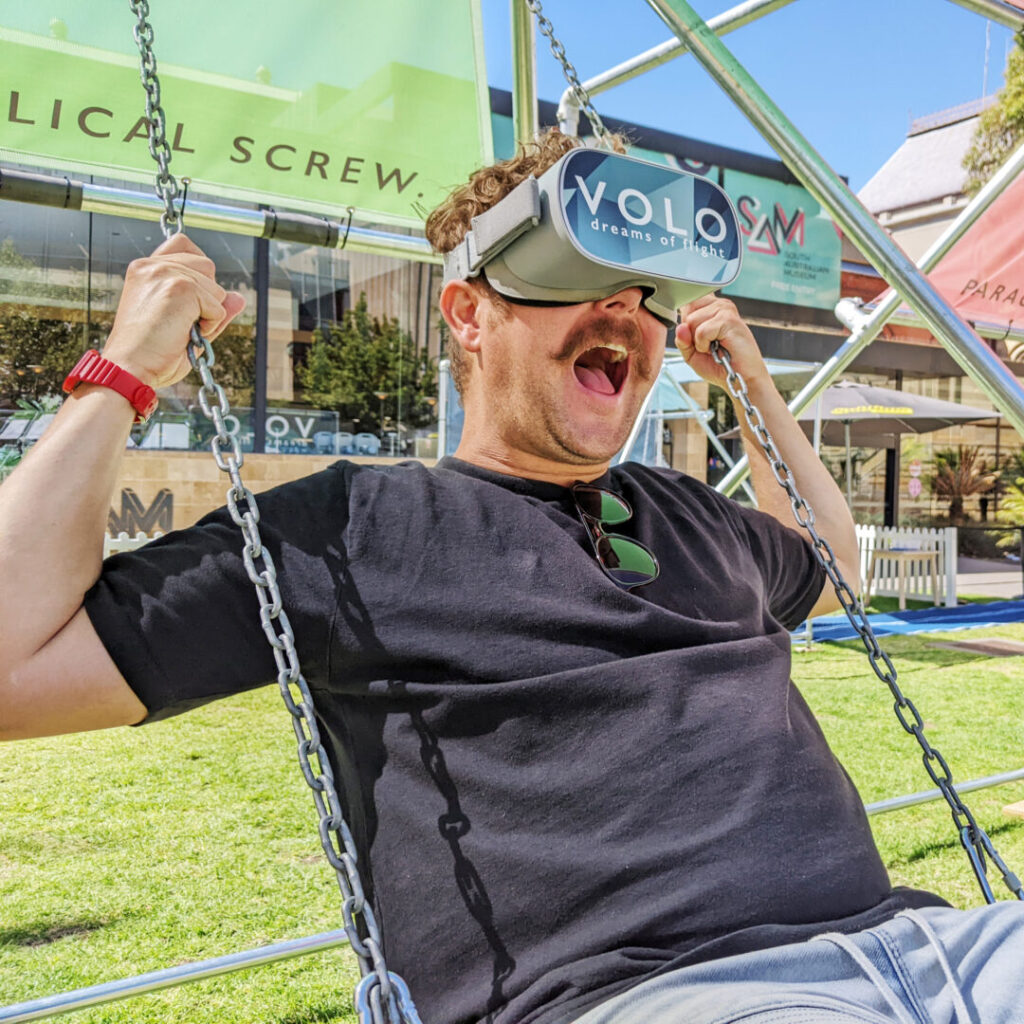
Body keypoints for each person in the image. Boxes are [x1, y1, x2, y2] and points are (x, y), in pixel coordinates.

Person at [0, 129, 1021, 1024]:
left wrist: (752, 382)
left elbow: (834, 566)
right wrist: (125, 370)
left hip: (938, 951)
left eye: (645, 291)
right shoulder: (350, 529)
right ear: (469, 314)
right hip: (663, 992)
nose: (622, 309)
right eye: (573, 276)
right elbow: (15, 663)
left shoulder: (692, 518)